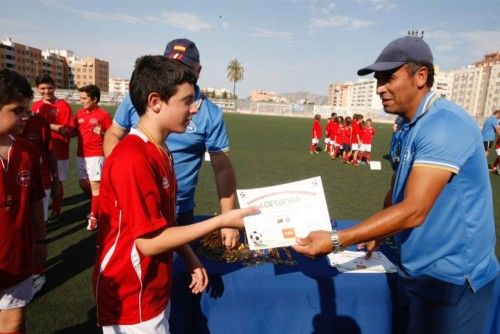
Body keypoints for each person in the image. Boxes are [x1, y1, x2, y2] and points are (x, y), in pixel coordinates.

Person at [292, 36, 498, 334]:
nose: (380, 88)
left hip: (453, 281)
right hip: (419, 270)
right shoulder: (406, 125)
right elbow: (397, 184)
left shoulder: (444, 125)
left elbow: (415, 210)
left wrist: (338, 239)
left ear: (421, 77)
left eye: (389, 78)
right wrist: (379, 232)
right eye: (378, 80)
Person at [93, 55, 256, 333]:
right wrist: (223, 219)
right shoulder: (133, 158)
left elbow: (164, 221)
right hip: (132, 294)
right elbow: (148, 242)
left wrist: (189, 256)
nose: (193, 110)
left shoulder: (161, 150)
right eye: (186, 101)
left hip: (151, 284)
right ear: (155, 102)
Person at [103, 38, 239, 249]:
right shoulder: (138, 99)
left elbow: (222, 168)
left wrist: (228, 217)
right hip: (134, 203)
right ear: (154, 102)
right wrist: (121, 177)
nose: (176, 71)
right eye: (170, 65)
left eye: (184, 67)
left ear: (198, 70)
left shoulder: (209, 115)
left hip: (178, 208)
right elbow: (114, 134)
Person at [0, 69, 47, 334]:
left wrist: (41, 239)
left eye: (26, 111)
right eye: (17, 111)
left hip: (18, 255)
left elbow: (35, 200)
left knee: (15, 325)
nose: (25, 117)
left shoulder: (27, 151)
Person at [17, 106, 59, 296]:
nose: (23, 118)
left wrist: (56, 179)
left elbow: (50, 152)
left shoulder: (40, 123)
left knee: (36, 227)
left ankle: (36, 273)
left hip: (40, 183)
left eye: (24, 107)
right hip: (14, 186)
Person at [32, 74, 76, 221]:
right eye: (43, 88)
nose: (46, 91)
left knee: (57, 182)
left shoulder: (63, 105)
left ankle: (56, 210)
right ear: (38, 89)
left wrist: (54, 128)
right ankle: (41, 210)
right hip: (40, 152)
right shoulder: (36, 106)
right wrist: (54, 126)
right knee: (41, 182)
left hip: (59, 151)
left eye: (49, 88)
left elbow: (69, 130)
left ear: (54, 87)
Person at [75, 85, 112, 230]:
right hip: (80, 155)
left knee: (95, 186)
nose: (81, 101)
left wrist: (101, 132)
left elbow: (112, 135)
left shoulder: (103, 115)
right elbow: (73, 131)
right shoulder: (79, 114)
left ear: (94, 99)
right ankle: (99, 206)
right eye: (81, 98)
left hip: (96, 155)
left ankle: (93, 217)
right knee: (84, 184)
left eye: (84, 98)